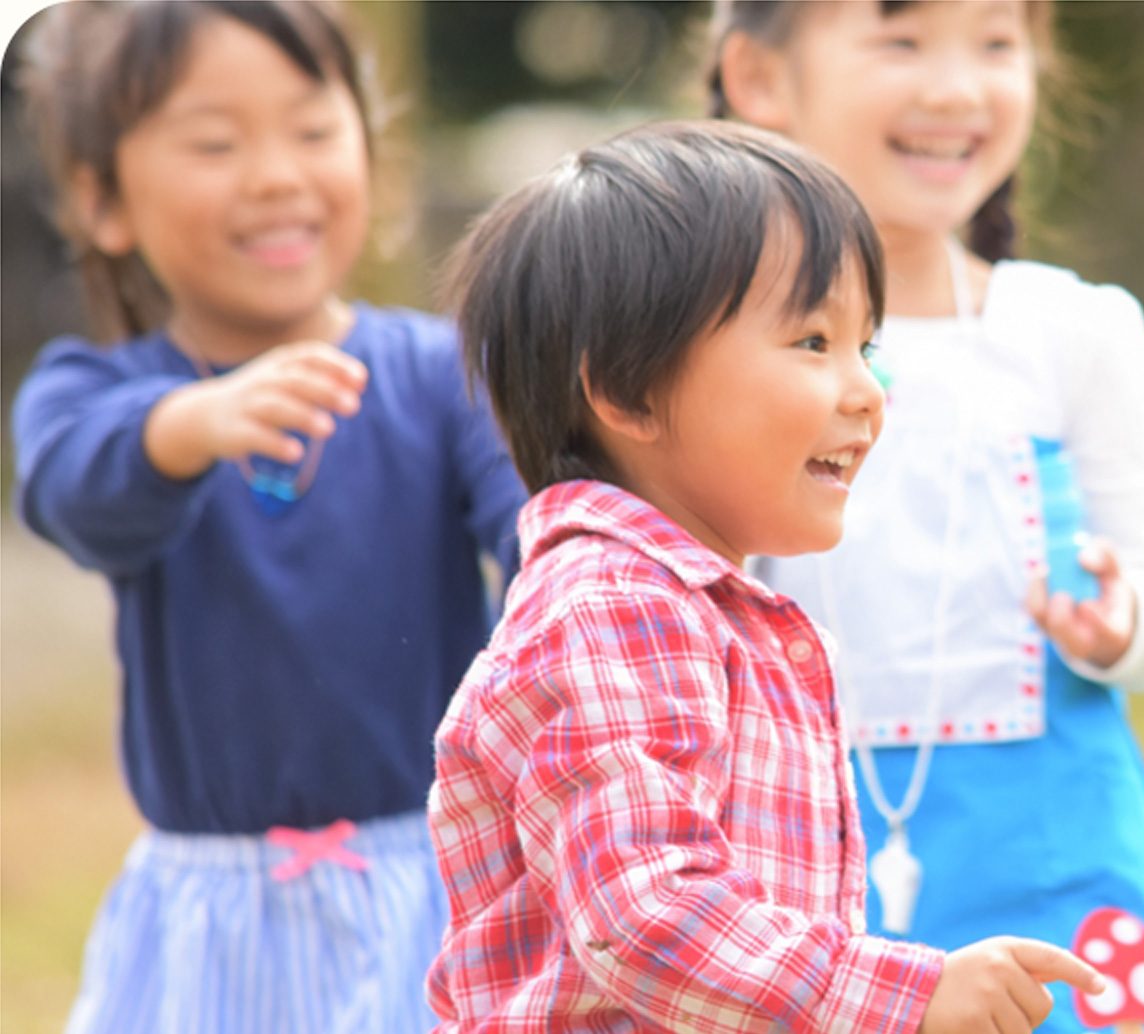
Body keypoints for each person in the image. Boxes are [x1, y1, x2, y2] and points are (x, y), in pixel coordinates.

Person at [428, 118, 1104, 1034]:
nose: (869, 391)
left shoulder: (702, 610)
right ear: (626, 393)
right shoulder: (614, 609)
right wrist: (906, 997)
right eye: (813, 344)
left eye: (867, 346)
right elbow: (645, 917)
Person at [708, 3, 1144, 1031]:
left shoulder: (1076, 332)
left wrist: (1123, 628)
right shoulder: (709, 348)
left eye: (995, 44)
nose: (955, 87)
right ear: (760, 78)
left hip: (1059, 872)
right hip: (793, 873)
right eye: (901, 42)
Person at [9, 3, 528, 1031]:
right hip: (212, 913)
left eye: (312, 129)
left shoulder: (440, 374)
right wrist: (189, 424)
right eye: (215, 141)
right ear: (102, 198)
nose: (276, 174)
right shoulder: (95, 392)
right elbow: (72, 491)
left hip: (430, 884)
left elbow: (537, 529)